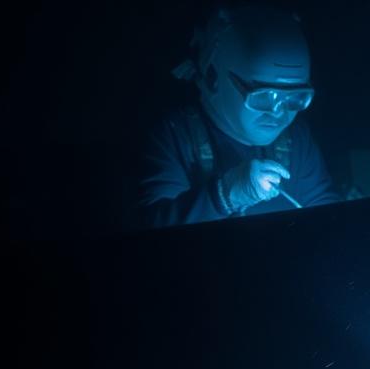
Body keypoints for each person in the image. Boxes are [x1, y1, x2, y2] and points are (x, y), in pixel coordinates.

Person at [133, 5, 341, 229]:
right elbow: (154, 235)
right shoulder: (175, 135)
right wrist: (225, 195)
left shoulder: (295, 139)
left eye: (294, 98)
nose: (279, 112)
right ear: (214, 79)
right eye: (264, 97)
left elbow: (325, 211)